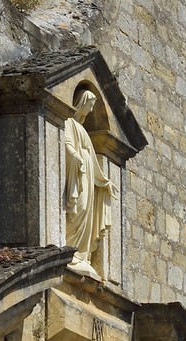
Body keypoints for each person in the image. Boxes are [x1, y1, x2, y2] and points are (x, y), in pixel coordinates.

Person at [63, 88, 118, 278]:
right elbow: (66, 143)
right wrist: (75, 156)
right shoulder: (69, 122)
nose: (92, 108)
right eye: (90, 104)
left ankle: (81, 255)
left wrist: (103, 182)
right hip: (78, 170)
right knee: (78, 209)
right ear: (82, 102)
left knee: (86, 210)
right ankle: (71, 249)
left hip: (86, 171)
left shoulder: (85, 131)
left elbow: (94, 160)